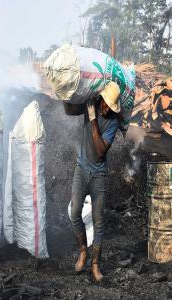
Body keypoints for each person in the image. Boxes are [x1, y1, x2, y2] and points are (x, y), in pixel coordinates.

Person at [64, 81, 121, 282]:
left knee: (99, 222)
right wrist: (65, 92)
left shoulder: (112, 123)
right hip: (81, 170)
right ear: (101, 98)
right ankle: (83, 252)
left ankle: (95, 264)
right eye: (105, 103)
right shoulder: (91, 105)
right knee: (74, 212)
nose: (106, 108)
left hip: (98, 176)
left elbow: (99, 151)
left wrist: (94, 120)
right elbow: (70, 110)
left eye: (110, 107)